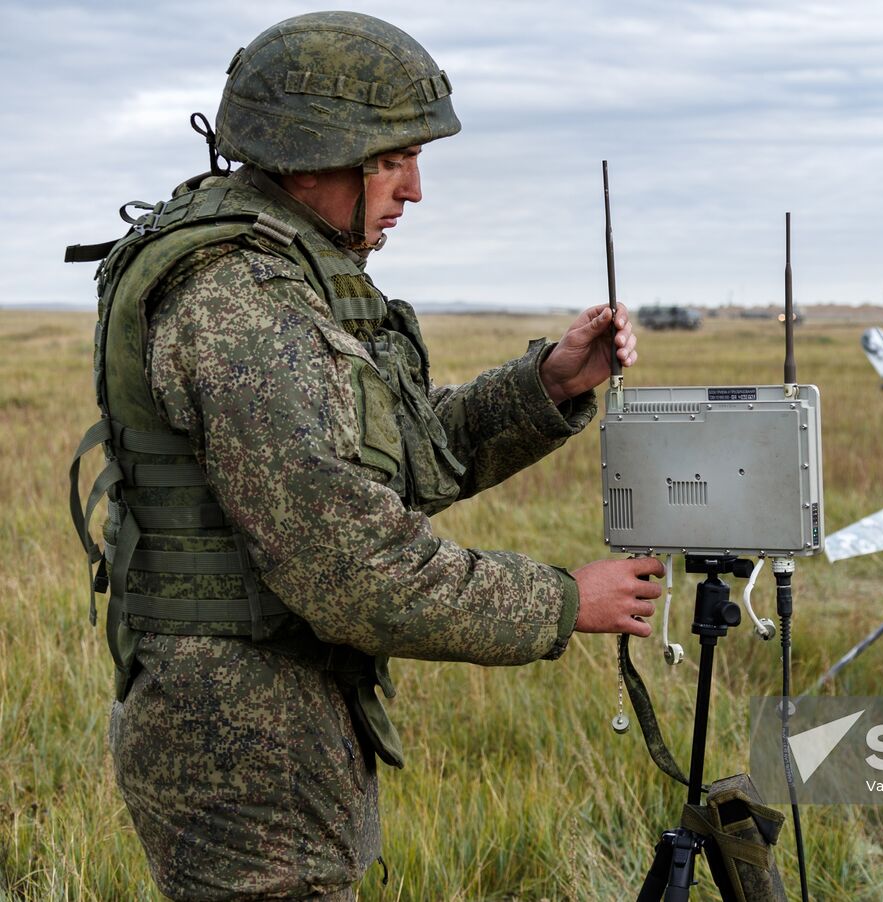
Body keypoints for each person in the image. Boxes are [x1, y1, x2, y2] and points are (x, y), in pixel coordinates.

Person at [67, 12, 663, 899]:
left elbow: (399, 459)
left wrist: (549, 384)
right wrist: (564, 600)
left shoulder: (285, 270)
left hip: (273, 726)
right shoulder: (242, 301)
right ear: (317, 152)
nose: (414, 189)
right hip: (242, 753)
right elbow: (351, 565)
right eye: (393, 158)